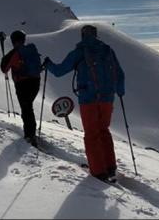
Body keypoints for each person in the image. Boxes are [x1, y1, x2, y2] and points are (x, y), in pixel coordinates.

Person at [43, 25, 125, 182]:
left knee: (91, 134)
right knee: (103, 131)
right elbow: (119, 73)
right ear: (96, 35)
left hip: (88, 99)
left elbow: (60, 71)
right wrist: (120, 91)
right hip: (108, 99)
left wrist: (48, 64)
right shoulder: (107, 51)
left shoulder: (79, 52)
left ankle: (98, 171)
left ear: (82, 36)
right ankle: (110, 167)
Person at [0, 30, 41, 147]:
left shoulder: (15, 53)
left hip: (22, 84)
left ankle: (30, 135)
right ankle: (31, 133)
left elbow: (4, 68)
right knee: (28, 107)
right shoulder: (31, 50)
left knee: (26, 108)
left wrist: (6, 58)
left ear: (13, 41)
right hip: (35, 82)